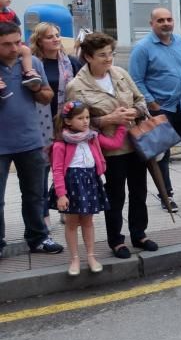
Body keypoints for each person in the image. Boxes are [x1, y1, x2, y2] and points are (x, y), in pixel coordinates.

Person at [67, 32, 156, 259]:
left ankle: (139, 234)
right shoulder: (76, 86)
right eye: (102, 55)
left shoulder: (120, 73)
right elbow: (74, 122)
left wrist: (134, 111)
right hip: (109, 148)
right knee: (115, 196)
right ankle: (116, 240)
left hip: (135, 143)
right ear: (88, 57)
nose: (108, 59)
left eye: (111, 54)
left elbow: (140, 100)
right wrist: (106, 120)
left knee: (139, 191)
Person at [130, 8, 181, 210]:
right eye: (160, 20)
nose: (166, 23)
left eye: (169, 19)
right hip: (161, 109)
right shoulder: (142, 48)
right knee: (162, 155)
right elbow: (136, 80)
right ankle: (166, 195)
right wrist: (152, 103)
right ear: (152, 24)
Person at [0, 21, 63, 256]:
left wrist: (35, 88)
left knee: (35, 194)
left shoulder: (32, 63)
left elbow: (47, 97)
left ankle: (38, 238)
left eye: (17, 42)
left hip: (30, 140)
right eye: (6, 45)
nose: (14, 48)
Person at [49, 100, 126, 275]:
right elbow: (58, 170)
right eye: (80, 118)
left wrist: (121, 126)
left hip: (90, 183)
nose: (85, 121)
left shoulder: (92, 137)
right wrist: (61, 194)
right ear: (68, 121)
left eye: (87, 117)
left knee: (88, 221)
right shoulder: (61, 144)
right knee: (71, 223)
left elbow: (114, 144)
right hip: (71, 186)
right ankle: (74, 259)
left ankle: (91, 256)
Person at [31, 22, 83, 228]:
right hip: (40, 125)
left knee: (66, 168)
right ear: (39, 41)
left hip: (66, 123)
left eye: (57, 35)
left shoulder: (70, 62)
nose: (55, 39)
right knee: (41, 171)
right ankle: (43, 215)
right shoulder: (34, 63)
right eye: (49, 36)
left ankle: (65, 208)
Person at [0, 0, 42, 89]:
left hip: (8, 42)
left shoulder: (10, 12)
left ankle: (29, 73)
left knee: (26, 50)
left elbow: (17, 28)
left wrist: (17, 41)